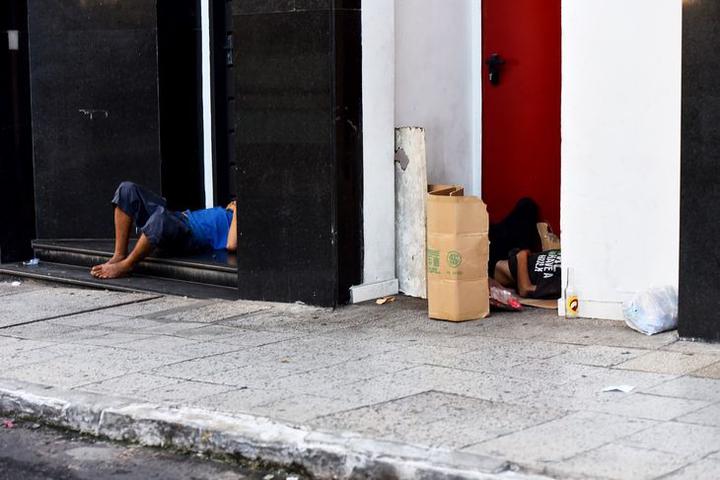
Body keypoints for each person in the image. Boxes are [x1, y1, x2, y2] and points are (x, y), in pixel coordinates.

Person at [90, 181, 237, 279]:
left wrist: (237, 210)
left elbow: (231, 244)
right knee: (126, 189)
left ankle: (126, 265)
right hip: (179, 218)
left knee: (160, 218)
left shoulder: (243, 224)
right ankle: (119, 255)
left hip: (187, 234)